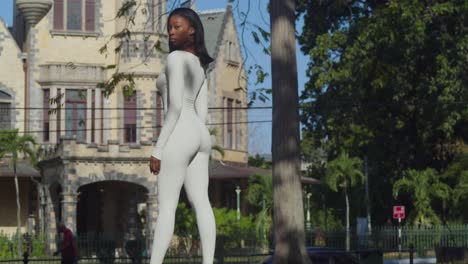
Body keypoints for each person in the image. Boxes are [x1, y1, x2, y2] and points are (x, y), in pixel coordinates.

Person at [148, 7, 216, 264]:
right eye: (169, 28)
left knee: (167, 206)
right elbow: (203, 112)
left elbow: (175, 106)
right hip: (200, 133)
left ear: (193, 30)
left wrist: (158, 149)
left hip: (180, 129)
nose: (171, 32)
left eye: (177, 27)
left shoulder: (175, 59)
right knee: (201, 201)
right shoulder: (201, 66)